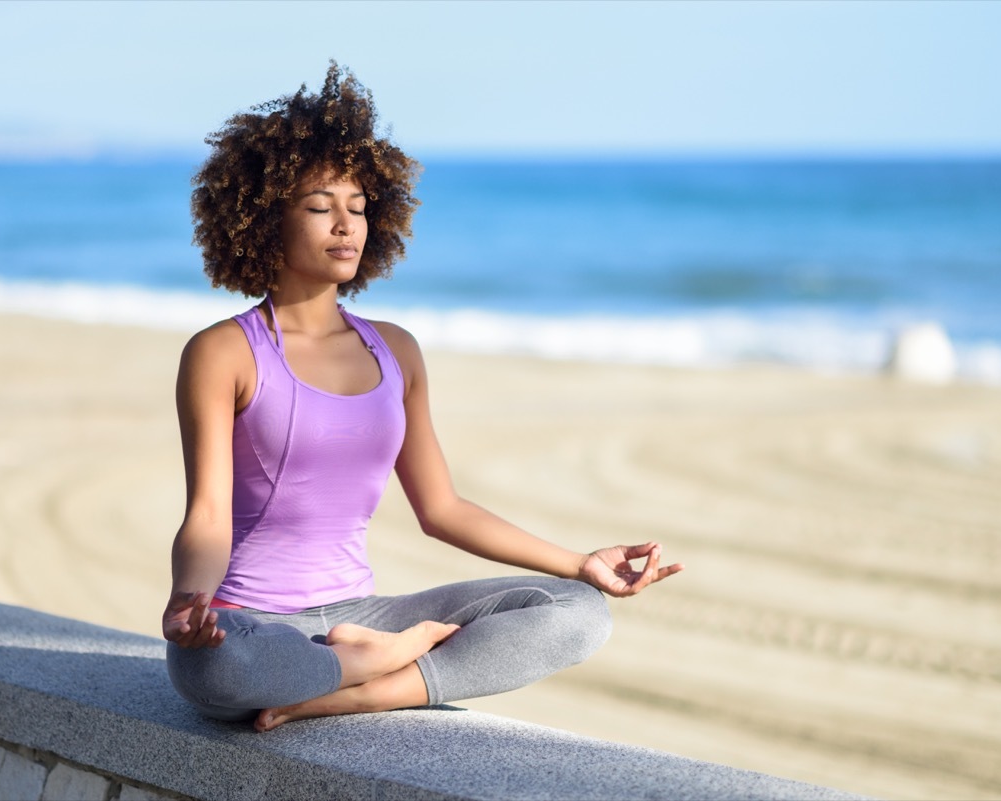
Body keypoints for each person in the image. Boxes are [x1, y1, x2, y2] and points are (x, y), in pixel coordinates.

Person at [163, 63, 683, 733]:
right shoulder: (224, 352)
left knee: (580, 612)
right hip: (256, 624)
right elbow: (207, 513)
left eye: (357, 207)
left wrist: (581, 563)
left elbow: (441, 508)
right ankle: (367, 666)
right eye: (321, 206)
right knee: (211, 673)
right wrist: (190, 601)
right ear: (267, 219)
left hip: (361, 614)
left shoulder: (396, 351)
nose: (346, 224)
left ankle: (357, 686)